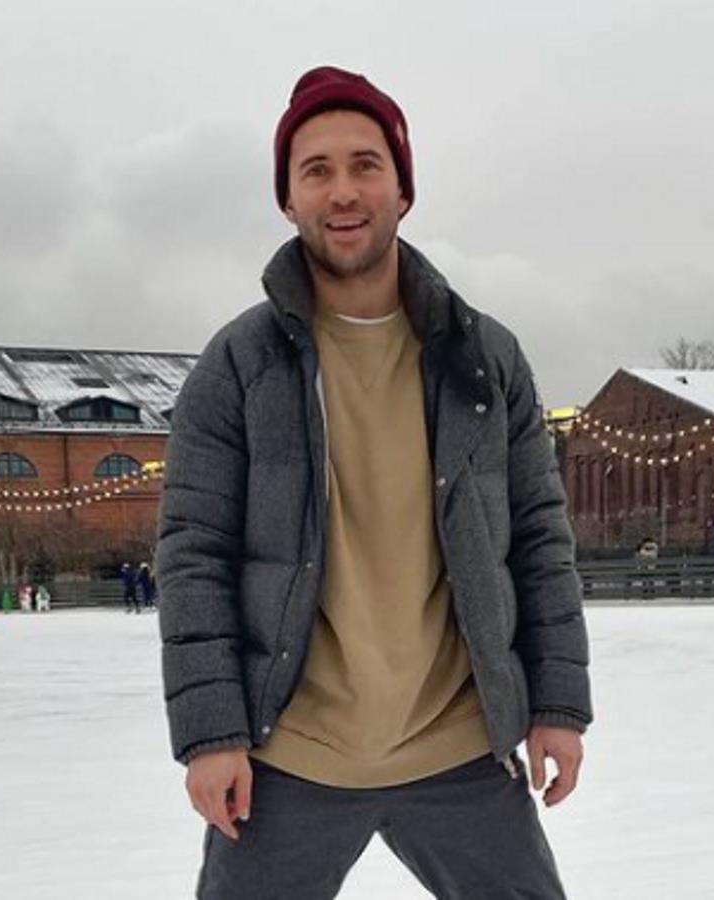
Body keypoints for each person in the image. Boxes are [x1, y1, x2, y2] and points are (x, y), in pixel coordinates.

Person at [156, 67, 591, 900]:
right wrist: (210, 735)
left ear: (403, 188)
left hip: (459, 746)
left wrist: (557, 707)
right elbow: (193, 556)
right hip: (290, 756)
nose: (343, 191)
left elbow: (540, 537)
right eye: (316, 170)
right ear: (288, 199)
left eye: (365, 164)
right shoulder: (238, 365)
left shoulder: (484, 357)